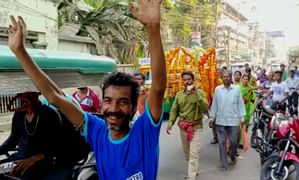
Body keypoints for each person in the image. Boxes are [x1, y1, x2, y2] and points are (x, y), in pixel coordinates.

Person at [7, 0, 166, 179]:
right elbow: (54, 96)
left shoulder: (144, 133)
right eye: (108, 100)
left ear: (132, 107)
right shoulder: (97, 131)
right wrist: (20, 51)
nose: (113, 108)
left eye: (123, 102)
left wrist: (153, 28)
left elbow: (158, 88)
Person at [0, 92, 89, 179]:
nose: (24, 97)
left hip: (42, 163)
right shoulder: (19, 114)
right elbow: (12, 140)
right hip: (19, 159)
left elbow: (58, 147)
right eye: (22, 94)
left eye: (28, 94)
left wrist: (33, 160)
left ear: (37, 93)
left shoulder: (49, 115)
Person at [166, 72, 208, 180]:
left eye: (189, 79)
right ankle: (194, 170)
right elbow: (174, 110)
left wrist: (196, 94)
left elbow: (205, 108)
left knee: (194, 153)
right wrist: (170, 123)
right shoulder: (179, 95)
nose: (187, 82)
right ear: (182, 81)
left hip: (196, 127)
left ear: (193, 80)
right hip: (183, 127)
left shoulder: (200, 93)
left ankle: (191, 177)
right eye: (184, 80)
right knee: (187, 154)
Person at [208, 71, 245, 171]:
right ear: (222, 78)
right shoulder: (218, 89)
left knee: (233, 142)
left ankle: (232, 156)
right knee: (222, 143)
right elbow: (214, 104)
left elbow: (240, 104)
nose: (226, 78)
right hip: (220, 120)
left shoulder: (237, 89)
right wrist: (212, 118)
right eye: (224, 77)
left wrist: (242, 117)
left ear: (230, 77)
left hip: (233, 121)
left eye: (227, 77)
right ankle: (223, 164)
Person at [210, 68, 224, 144]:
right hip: (214, 104)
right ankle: (215, 137)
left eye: (220, 72)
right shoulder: (211, 81)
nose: (218, 74)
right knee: (214, 121)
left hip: (223, 104)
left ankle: (222, 136)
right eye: (217, 72)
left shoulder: (223, 82)